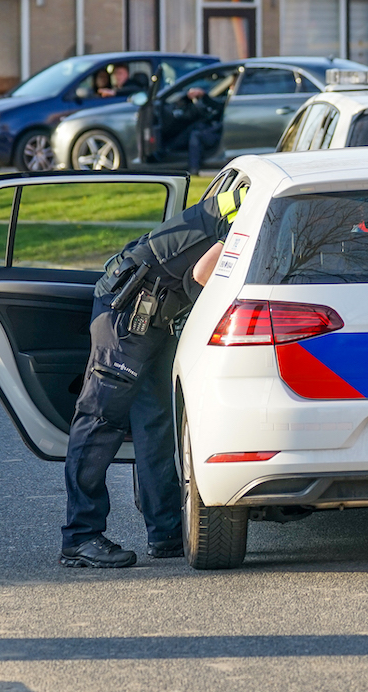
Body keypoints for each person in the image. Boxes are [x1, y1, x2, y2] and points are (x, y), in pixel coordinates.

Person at [59, 182, 248, 567]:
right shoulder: (250, 214)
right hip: (127, 312)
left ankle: (165, 534)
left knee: (156, 426)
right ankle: (80, 537)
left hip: (153, 317)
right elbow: (203, 274)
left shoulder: (245, 199)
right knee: (99, 422)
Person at [183, 85, 225, 175]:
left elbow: (219, 107)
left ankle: (194, 168)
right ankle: (167, 150)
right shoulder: (228, 94)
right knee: (195, 127)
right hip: (214, 128)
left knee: (196, 135)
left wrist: (204, 96)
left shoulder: (233, 98)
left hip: (218, 133)